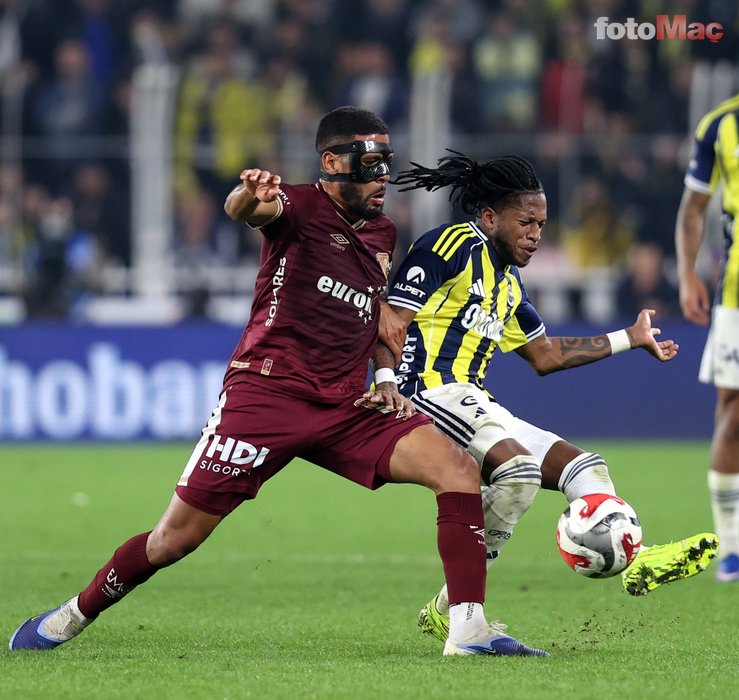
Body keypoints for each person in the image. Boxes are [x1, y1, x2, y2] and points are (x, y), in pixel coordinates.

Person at [9, 107, 546, 658]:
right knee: (173, 540)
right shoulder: (297, 205)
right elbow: (245, 209)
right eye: (371, 163)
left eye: (388, 161)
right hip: (267, 397)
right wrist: (248, 193)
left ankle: (467, 631)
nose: (383, 176)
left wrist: (386, 375)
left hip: (346, 404)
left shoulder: (383, 232)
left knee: (457, 470)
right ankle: (71, 615)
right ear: (332, 162)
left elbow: (381, 319)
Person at [370, 152, 718, 641]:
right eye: (526, 222)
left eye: (542, 224)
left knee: (586, 468)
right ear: (490, 217)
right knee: (518, 472)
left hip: (473, 399)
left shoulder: (509, 283)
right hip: (425, 391)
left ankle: (633, 557)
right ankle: (463, 613)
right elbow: (390, 318)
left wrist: (630, 337)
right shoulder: (450, 246)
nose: (536, 234)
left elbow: (545, 354)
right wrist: (386, 380)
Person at [675, 92, 739, 582]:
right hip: (736, 295)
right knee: (733, 412)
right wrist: (687, 274)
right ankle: (732, 548)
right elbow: (693, 207)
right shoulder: (720, 125)